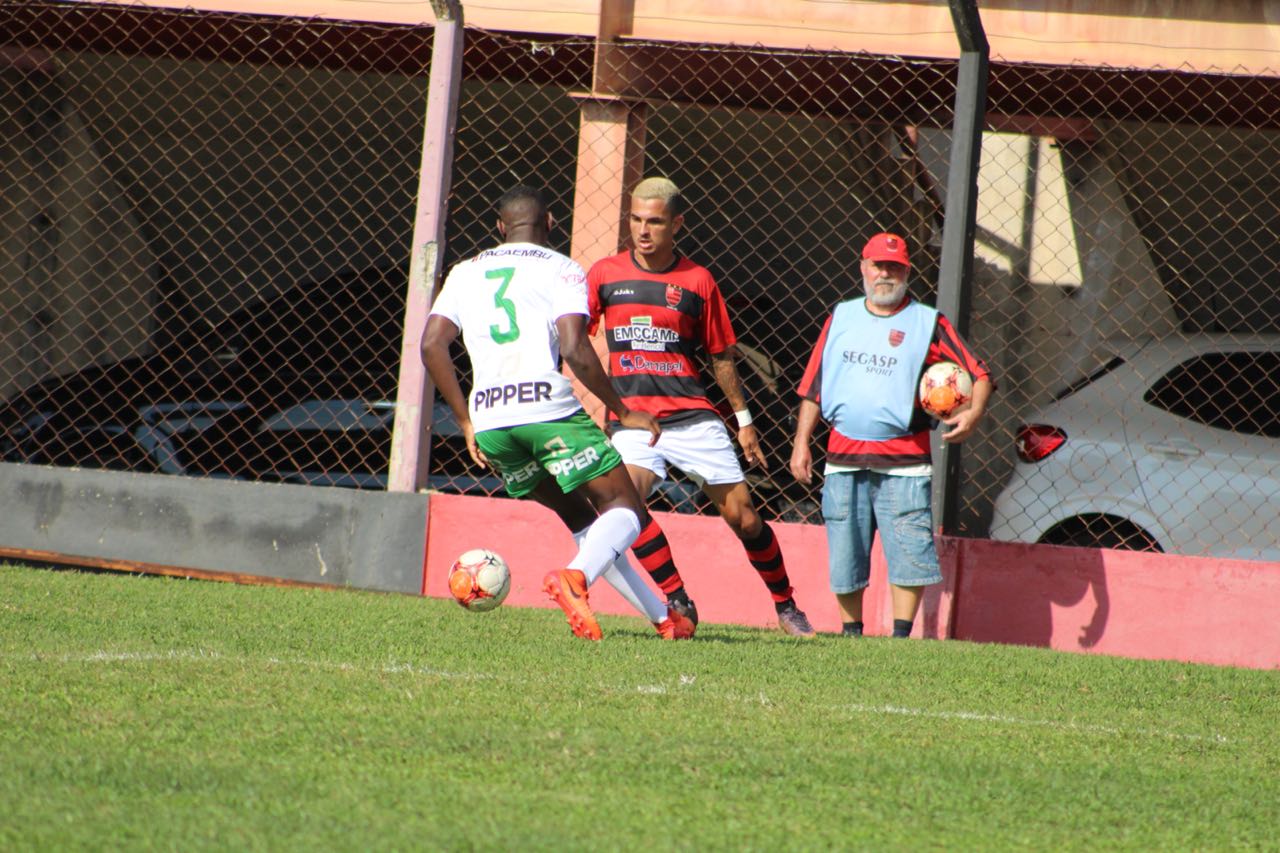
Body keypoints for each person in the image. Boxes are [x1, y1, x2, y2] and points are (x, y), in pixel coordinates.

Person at [421, 185, 694, 642]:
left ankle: (664, 619)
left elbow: (431, 344)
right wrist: (622, 410)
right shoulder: (562, 268)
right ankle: (574, 578)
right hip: (545, 409)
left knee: (591, 526)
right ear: (550, 224)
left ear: (500, 228)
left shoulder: (464, 271)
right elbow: (574, 347)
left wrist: (466, 421)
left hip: (491, 422)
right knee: (625, 509)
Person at [587, 177, 816, 637]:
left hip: (692, 417)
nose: (643, 230)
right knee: (625, 510)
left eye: (654, 221)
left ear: (677, 224)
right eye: (635, 219)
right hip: (634, 420)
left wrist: (745, 421)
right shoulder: (605, 274)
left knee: (744, 518)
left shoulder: (697, 280)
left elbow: (721, 356)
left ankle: (786, 605)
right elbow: (576, 338)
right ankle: (677, 598)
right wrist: (598, 404)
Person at [789, 232, 994, 638]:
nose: (885, 274)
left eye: (894, 267)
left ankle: (900, 637)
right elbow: (814, 385)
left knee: (908, 548)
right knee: (845, 549)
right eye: (878, 266)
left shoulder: (927, 322)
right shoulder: (841, 317)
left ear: (907, 272)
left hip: (905, 461)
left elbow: (980, 373)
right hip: (842, 456)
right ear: (863, 267)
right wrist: (800, 444)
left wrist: (973, 413)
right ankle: (852, 633)